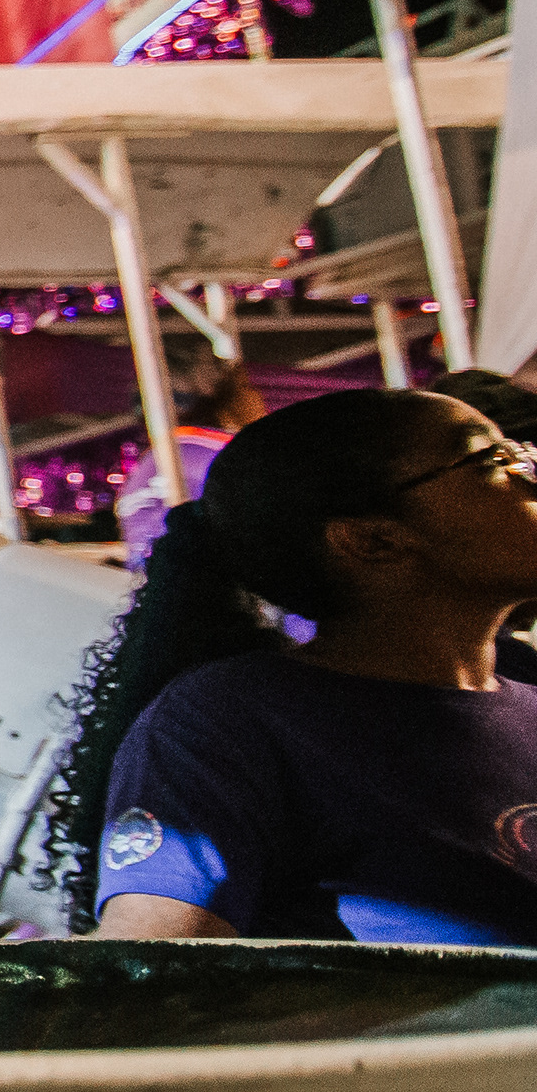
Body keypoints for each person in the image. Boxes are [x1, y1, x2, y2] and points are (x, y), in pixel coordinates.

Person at [41, 388, 537, 943]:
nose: (530, 476)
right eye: (495, 461)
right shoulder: (229, 721)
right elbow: (154, 963)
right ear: (371, 539)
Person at [114, 352, 265, 567]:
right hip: (197, 573)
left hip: (160, 574)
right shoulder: (205, 451)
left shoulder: (162, 457)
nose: (255, 397)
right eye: (245, 388)